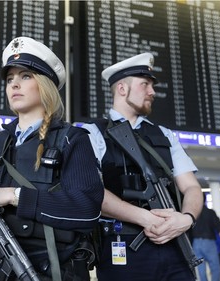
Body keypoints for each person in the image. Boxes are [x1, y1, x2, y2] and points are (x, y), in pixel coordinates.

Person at [0, 36, 104, 281]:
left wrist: (14, 195)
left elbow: (87, 209)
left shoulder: (71, 140)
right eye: (10, 79)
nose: (14, 85)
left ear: (45, 85)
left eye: (25, 77)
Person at [81, 53, 204, 280]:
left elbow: (192, 188)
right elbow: (90, 191)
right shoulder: (92, 133)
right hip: (122, 248)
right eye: (145, 84)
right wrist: (145, 218)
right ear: (121, 89)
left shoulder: (165, 135)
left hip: (174, 243)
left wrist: (186, 219)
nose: (152, 92)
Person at [191, 195, 220, 281]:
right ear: (205, 200)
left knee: (201, 268)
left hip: (195, 243)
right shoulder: (210, 213)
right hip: (209, 242)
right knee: (215, 267)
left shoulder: (192, 213)